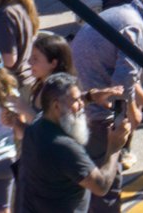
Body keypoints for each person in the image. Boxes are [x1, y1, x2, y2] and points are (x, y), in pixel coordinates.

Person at [19, 72, 130, 213]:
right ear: (56, 106)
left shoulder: (37, 125)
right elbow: (101, 186)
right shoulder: (64, 147)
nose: (81, 105)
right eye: (76, 101)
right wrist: (114, 147)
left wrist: (90, 96)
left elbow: (63, 103)